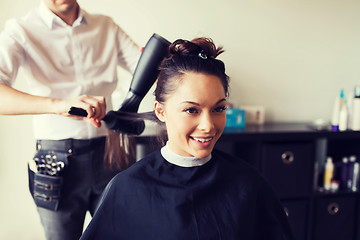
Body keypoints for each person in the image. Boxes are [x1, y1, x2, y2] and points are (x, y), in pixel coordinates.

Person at [80, 37, 294, 240]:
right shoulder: (127, 188)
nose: (208, 125)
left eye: (218, 108)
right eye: (192, 110)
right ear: (160, 111)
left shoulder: (248, 184)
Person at [0, 0, 141, 239]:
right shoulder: (20, 30)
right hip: (56, 161)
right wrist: (58, 105)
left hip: (111, 152)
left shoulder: (105, 26)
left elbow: (150, 70)